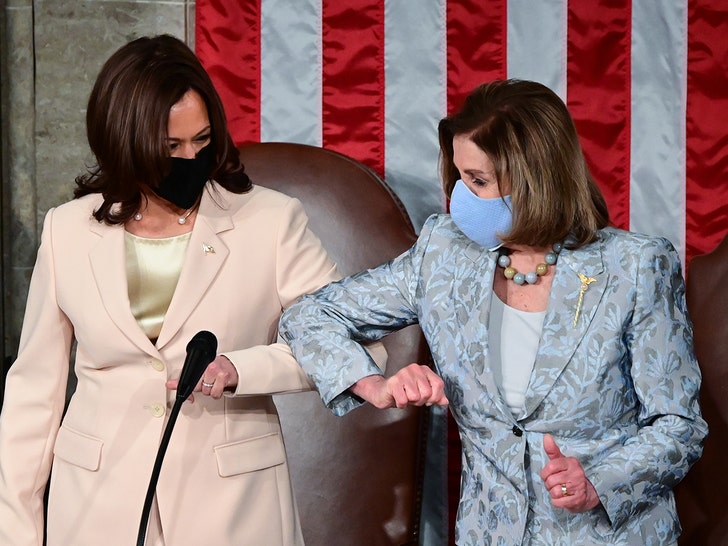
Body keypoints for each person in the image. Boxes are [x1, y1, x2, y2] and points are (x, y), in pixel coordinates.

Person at [280, 79, 708, 545]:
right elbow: (309, 316)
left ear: (535, 179)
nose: (459, 196)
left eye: (478, 181)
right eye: (460, 176)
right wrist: (374, 383)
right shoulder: (444, 253)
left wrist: (601, 482)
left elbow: (679, 426)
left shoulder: (636, 266)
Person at [0, 35, 340, 546]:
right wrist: (17, 534)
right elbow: (33, 396)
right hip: (96, 510)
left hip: (232, 512)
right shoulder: (66, 230)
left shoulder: (271, 221)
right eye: (170, 147)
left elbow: (352, 344)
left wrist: (242, 368)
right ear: (123, 141)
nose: (190, 158)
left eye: (201, 141)